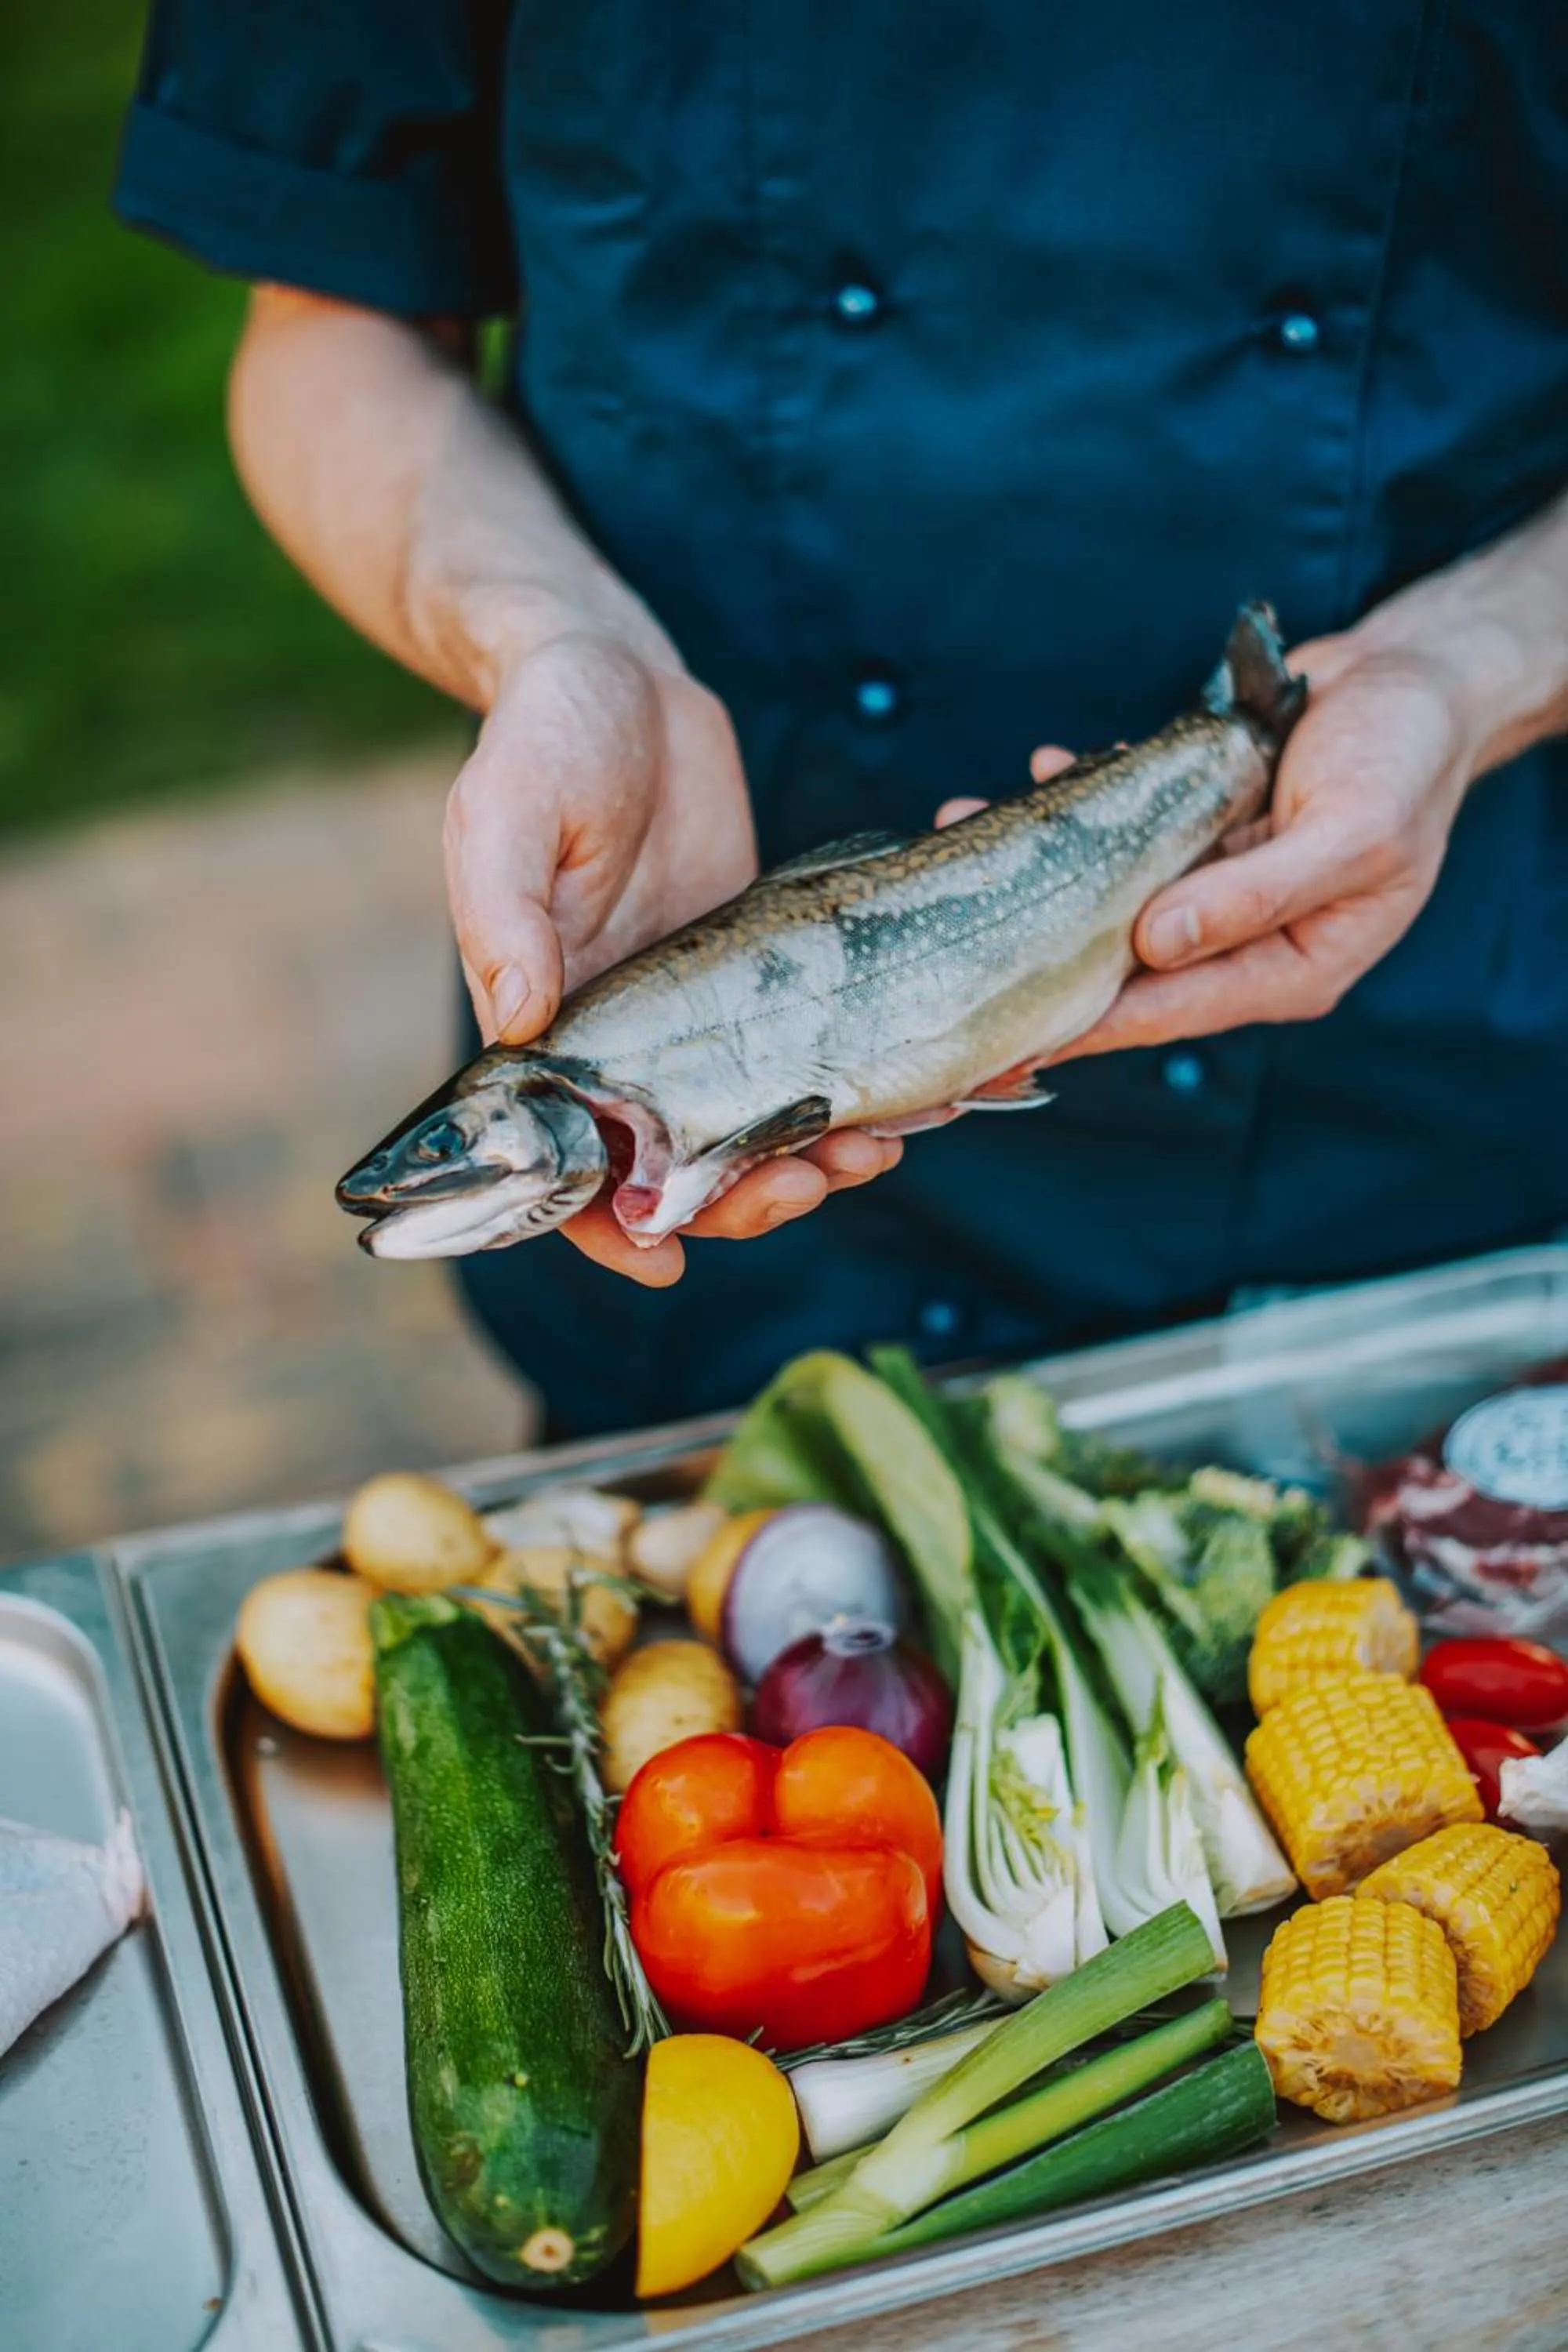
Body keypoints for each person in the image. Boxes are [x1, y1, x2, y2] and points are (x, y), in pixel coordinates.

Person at [115, 5, 1568, 1438]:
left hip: (1418, 1128)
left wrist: (1470, 670)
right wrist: (548, 633)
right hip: (726, 1263)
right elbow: (330, 320)